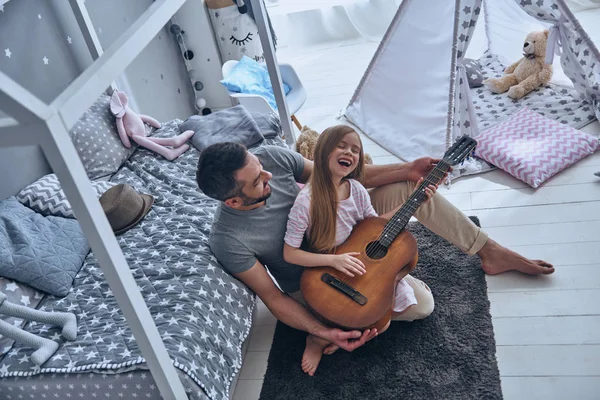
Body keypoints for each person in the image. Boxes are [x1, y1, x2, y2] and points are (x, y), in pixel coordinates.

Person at [195, 126, 554, 355]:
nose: (269, 173)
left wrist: (406, 170)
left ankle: (489, 251)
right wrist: (324, 331)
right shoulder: (228, 239)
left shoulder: (271, 157)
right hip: (319, 277)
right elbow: (273, 296)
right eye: (258, 180)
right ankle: (349, 316)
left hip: (349, 228)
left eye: (261, 166)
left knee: (406, 189)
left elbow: (338, 175)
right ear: (233, 202)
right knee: (422, 307)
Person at [282, 125, 438, 376]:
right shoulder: (306, 202)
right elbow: (290, 253)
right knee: (374, 318)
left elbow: (375, 229)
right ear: (323, 151)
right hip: (328, 271)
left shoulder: (356, 190)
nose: (349, 153)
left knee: (411, 312)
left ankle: (343, 333)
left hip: (363, 267)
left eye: (355, 149)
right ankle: (318, 339)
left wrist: (415, 203)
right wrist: (334, 260)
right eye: (342, 146)